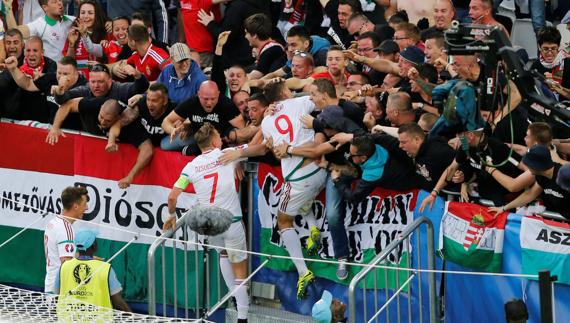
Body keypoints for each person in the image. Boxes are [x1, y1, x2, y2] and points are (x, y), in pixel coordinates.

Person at [163, 123, 249, 322]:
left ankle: (237, 299)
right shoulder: (226, 154)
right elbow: (258, 148)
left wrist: (171, 215)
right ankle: (243, 316)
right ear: (214, 141)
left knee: (223, 255)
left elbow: (172, 197)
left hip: (210, 224)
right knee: (240, 269)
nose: (221, 138)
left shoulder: (191, 166)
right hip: (232, 221)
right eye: (219, 136)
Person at [48, 98, 154, 189]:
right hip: (86, 125)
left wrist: (131, 176)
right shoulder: (96, 104)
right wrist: (55, 127)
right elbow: (69, 104)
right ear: (101, 108)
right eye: (101, 117)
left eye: (107, 121)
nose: (102, 122)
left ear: (118, 118)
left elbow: (148, 149)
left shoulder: (130, 126)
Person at [55, 228, 131, 321]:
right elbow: (118, 302)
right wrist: (132, 318)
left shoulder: (64, 267)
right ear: (94, 246)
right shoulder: (105, 269)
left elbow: (58, 295)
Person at [161, 80, 244, 154]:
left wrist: (237, 153)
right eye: (206, 99)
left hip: (221, 137)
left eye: (213, 99)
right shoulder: (191, 102)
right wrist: (173, 130)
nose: (209, 103)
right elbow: (166, 121)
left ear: (218, 94)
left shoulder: (226, 104)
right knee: (165, 144)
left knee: (234, 135)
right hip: (199, 135)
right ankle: (198, 148)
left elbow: (242, 129)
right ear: (199, 94)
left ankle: (197, 149)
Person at [5, 55, 86, 130]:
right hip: (51, 130)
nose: (61, 77)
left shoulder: (84, 87)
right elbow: (28, 84)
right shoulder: (52, 78)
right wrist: (13, 69)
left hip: (74, 134)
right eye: (59, 73)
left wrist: (59, 89)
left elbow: (64, 101)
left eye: (65, 74)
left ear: (76, 74)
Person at [490, 145, 570, 219]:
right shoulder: (541, 176)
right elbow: (530, 194)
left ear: (536, 166)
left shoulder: (564, 176)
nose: (527, 166)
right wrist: (503, 208)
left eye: (528, 164)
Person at [44, 186, 89, 294]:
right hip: (60, 291)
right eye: (85, 204)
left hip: (50, 285)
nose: (87, 208)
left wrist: (89, 258)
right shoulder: (66, 229)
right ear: (75, 206)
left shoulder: (54, 222)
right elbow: (67, 264)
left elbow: (64, 254)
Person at [3, 36, 57, 123]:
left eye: (35, 50)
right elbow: (2, 82)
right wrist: (13, 69)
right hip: (18, 117)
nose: (31, 54)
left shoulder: (51, 65)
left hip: (43, 119)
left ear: (42, 52)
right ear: (24, 52)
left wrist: (43, 76)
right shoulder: (15, 63)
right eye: (28, 50)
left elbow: (50, 82)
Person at [4, 0, 75, 62]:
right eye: (54, 2)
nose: (60, 3)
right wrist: (8, 8)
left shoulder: (72, 20)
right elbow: (15, 32)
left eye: (60, 0)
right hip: (52, 73)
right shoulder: (39, 25)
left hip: (72, 70)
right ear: (45, 7)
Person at [62, 0, 108, 79]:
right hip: (78, 81)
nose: (86, 16)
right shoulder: (73, 33)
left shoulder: (106, 33)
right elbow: (68, 63)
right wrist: (71, 45)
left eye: (90, 13)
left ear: (97, 15)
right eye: (82, 13)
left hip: (100, 79)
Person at [244, 13, 286, 80]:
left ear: (254, 35)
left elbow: (254, 76)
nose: (245, 36)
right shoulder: (270, 48)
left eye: (246, 33)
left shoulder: (271, 51)